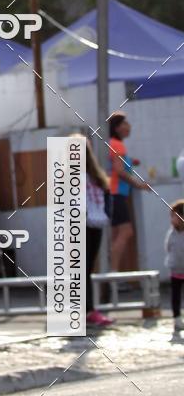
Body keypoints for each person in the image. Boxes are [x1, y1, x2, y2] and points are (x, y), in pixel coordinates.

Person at [108, 113, 150, 273]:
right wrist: (139, 185)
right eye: (125, 124)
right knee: (126, 232)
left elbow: (117, 165)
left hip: (114, 194)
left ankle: (112, 275)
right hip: (116, 193)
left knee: (115, 234)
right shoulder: (117, 144)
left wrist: (131, 161)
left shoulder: (113, 144)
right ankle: (113, 273)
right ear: (117, 128)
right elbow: (119, 171)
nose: (128, 126)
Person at [85, 139, 114, 327]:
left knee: (86, 267)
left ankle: (87, 310)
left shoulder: (94, 175)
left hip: (95, 223)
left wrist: (106, 215)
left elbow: (106, 193)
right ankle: (85, 310)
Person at [165, 199, 184, 332]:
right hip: (176, 270)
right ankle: (177, 318)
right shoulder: (171, 233)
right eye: (171, 216)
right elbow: (167, 247)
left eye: (175, 216)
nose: (172, 219)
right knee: (175, 296)